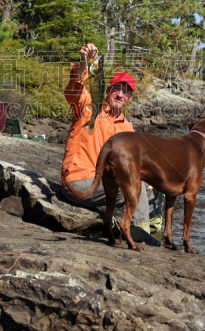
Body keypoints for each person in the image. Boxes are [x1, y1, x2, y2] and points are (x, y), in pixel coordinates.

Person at [60, 43, 162, 237]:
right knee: (134, 187)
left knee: (157, 189)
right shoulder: (87, 107)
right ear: (107, 90)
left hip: (103, 183)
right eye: (117, 89)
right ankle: (140, 234)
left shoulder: (127, 128)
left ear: (130, 98)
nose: (120, 94)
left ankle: (154, 234)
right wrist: (84, 61)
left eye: (126, 92)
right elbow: (75, 85)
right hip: (80, 180)